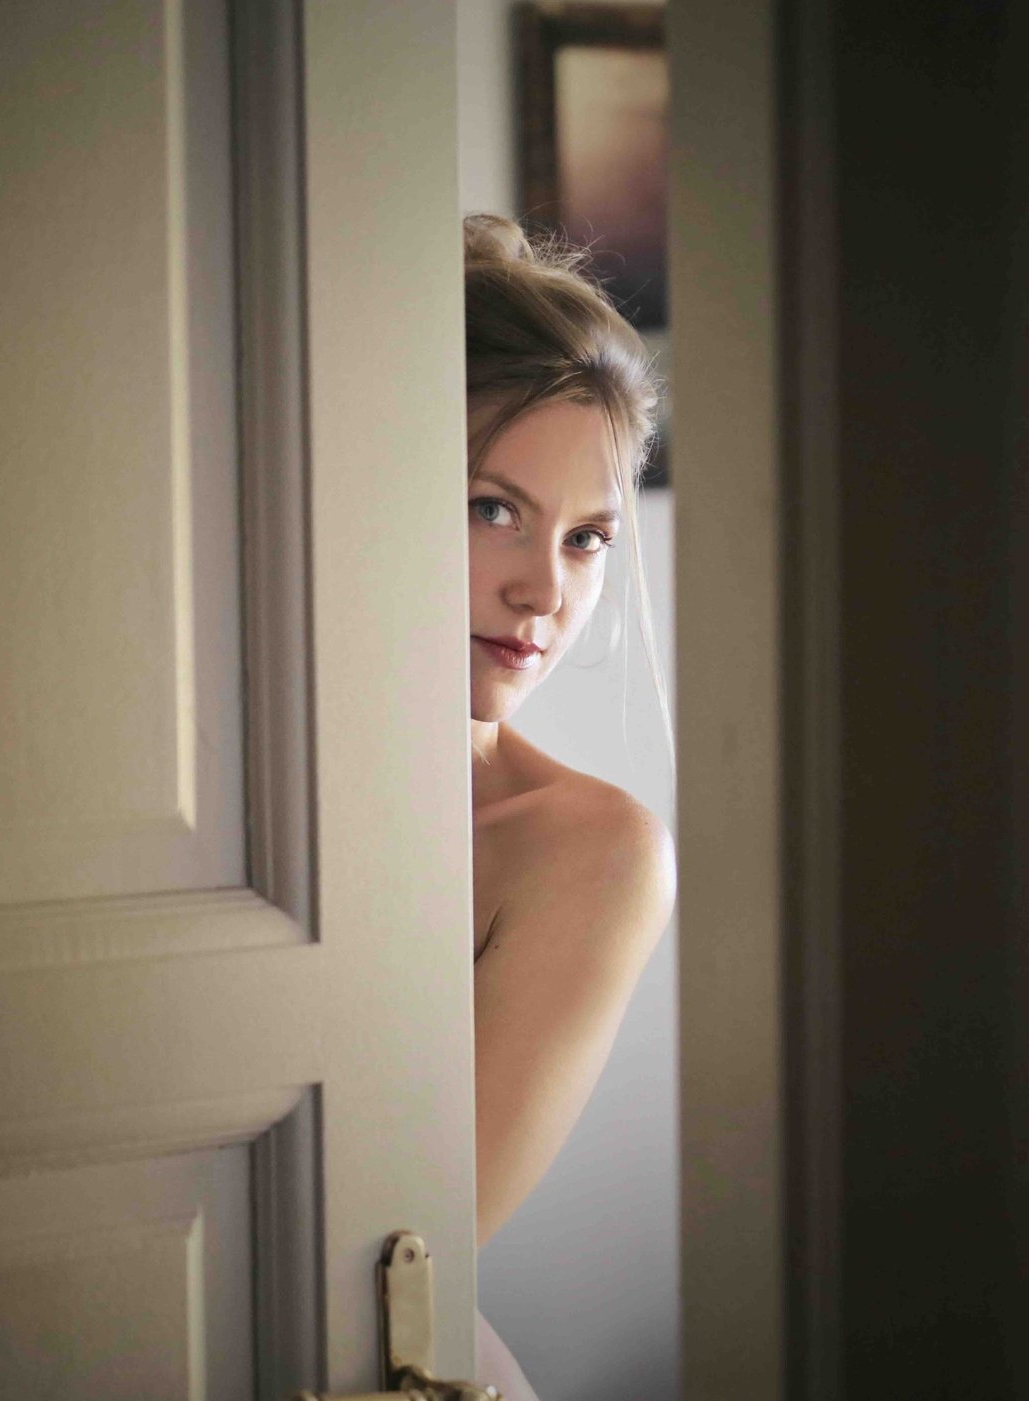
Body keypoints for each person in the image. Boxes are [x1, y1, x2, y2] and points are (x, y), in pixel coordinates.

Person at [462, 213, 676, 1398]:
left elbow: (402, 1253)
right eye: (493, 507)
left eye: (587, 538)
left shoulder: (588, 852)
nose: (543, 589)